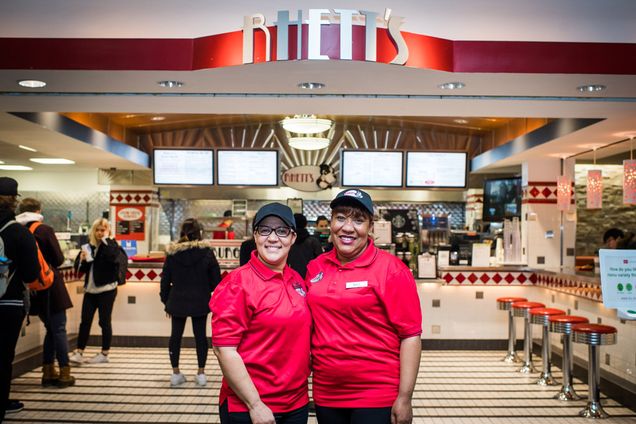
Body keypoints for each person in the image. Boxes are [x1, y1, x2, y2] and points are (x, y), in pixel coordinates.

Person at [305, 188, 422, 424]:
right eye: (340, 218)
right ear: (331, 223)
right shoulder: (315, 267)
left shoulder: (391, 269)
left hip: (375, 393)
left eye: (358, 220)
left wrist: (405, 397)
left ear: (370, 227)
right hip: (326, 391)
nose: (348, 228)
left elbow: (410, 336)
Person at [210, 203, 310, 424]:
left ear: (293, 237)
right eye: (265, 230)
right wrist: (255, 404)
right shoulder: (238, 283)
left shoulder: (296, 279)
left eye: (282, 231)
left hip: (296, 403)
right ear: (255, 236)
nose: (273, 238)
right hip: (251, 406)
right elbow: (224, 350)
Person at [16, 198, 75, 388]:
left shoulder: (17, 231)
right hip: (50, 286)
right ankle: (65, 373)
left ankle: (48, 371)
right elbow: (58, 259)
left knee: (51, 329)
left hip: (32, 290)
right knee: (59, 329)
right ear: (39, 210)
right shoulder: (44, 229)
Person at [160, 218, 221, 387]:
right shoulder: (207, 252)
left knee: (175, 337)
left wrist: (166, 301)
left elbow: (165, 280)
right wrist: (205, 289)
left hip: (177, 299)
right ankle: (201, 373)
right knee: (200, 336)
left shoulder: (172, 253)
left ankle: (176, 373)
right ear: (199, 233)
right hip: (200, 299)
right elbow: (216, 280)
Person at [0, 177, 40, 420]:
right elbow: (31, 274)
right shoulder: (18, 233)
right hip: (9, 303)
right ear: (14, 200)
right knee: (3, 356)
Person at [69, 218, 120, 365]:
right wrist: (83, 259)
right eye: (97, 230)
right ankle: (79, 352)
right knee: (85, 321)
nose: (99, 233)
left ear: (108, 231)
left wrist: (106, 240)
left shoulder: (111, 245)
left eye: (102, 230)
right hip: (90, 290)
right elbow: (79, 269)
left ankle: (104, 353)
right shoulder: (88, 247)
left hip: (107, 290)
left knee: (104, 321)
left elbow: (112, 258)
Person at [288, 213, 322, 279]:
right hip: (311, 278)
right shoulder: (313, 241)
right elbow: (321, 262)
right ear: (305, 224)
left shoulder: (288, 242)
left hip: (293, 279)